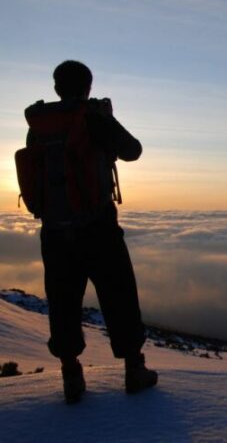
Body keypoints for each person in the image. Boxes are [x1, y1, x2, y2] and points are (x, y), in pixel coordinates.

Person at [24, 60, 157, 403]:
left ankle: (71, 376)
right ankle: (133, 370)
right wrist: (105, 117)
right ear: (88, 86)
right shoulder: (93, 118)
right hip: (98, 227)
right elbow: (133, 150)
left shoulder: (39, 124)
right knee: (119, 295)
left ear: (56, 88)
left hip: (54, 231)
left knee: (62, 301)